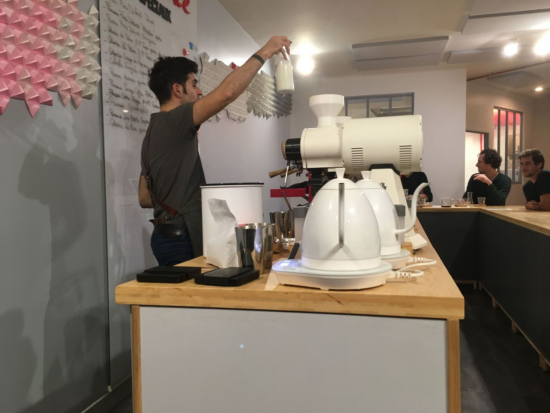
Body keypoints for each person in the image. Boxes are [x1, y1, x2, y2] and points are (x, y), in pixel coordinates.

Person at [139, 36, 292, 266]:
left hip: (163, 237)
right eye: (194, 84)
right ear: (178, 90)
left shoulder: (152, 131)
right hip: (181, 239)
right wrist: (265, 52)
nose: (199, 91)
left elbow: (144, 198)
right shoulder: (174, 120)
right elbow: (226, 94)